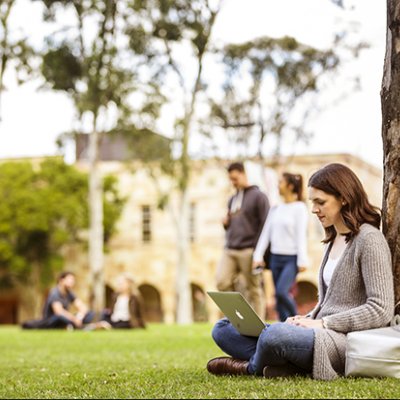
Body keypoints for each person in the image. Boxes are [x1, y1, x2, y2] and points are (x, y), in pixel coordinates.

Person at [207, 163, 394, 380]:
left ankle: (250, 367)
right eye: (312, 202)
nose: (314, 209)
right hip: (316, 332)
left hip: (343, 342)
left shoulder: (369, 240)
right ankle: (286, 364)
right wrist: (304, 319)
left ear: (344, 198)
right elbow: (328, 305)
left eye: (320, 202)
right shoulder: (333, 239)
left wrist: (323, 323)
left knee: (274, 335)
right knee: (222, 328)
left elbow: (381, 309)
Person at [252, 172, 309, 321]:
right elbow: (265, 234)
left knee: (281, 293)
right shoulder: (275, 209)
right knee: (278, 297)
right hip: (275, 258)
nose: (278, 185)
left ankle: (299, 321)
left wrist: (302, 260)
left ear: (290, 186)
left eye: (281, 182)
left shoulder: (300, 208)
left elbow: (300, 235)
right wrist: (258, 256)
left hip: (291, 258)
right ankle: (285, 328)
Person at [216, 161, 270, 316]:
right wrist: (226, 224)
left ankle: (259, 327)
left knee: (254, 288)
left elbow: (265, 226)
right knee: (222, 282)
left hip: (249, 250)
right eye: (230, 179)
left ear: (244, 174)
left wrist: (259, 253)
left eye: (235, 178)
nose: (233, 182)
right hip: (230, 249)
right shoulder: (232, 199)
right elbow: (234, 225)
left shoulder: (259, 197)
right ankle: (239, 317)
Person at [22, 271, 94, 329]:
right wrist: (74, 319)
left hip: (67, 318)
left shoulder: (69, 293)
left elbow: (83, 307)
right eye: (70, 279)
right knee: (60, 317)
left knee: (90, 313)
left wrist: (79, 317)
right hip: (52, 319)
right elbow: (59, 311)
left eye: (73, 280)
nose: (72, 282)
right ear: (61, 280)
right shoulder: (55, 293)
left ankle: (74, 326)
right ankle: (76, 326)